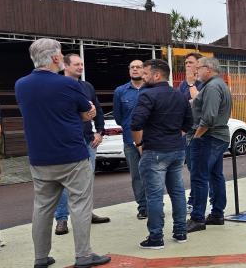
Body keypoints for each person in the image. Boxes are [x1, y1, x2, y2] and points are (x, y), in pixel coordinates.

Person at [15, 38, 110, 268]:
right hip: (71, 154)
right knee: (79, 203)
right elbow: (87, 110)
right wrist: (81, 115)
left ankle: (40, 257)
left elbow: (40, 113)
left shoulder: (21, 85)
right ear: (56, 58)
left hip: (39, 156)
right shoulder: (68, 85)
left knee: (42, 207)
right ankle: (83, 255)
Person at [130, 60, 192, 249]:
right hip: (176, 150)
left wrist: (139, 143)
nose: (143, 76)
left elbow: (135, 123)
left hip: (154, 151)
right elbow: (188, 124)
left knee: (155, 196)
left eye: (146, 73)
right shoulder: (179, 95)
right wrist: (173, 136)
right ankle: (181, 232)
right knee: (178, 192)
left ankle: (156, 237)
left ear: (157, 75)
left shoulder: (147, 94)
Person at [54, 53, 110, 235]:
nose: (80, 67)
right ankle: (61, 219)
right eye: (76, 64)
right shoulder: (57, 87)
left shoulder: (87, 87)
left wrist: (100, 132)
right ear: (65, 66)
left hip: (88, 141)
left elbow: (98, 109)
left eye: (82, 64)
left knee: (87, 180)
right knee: (63, 182)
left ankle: (86, 213)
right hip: (66, 142)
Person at [187, 56, 232, 233]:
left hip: (209, 137)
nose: (195, 70)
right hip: (216, 136)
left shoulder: (212, 87)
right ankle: (217, 213)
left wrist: (196, 137)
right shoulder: (218, 85)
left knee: (199, 177)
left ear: (209, 69)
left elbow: (209, 117)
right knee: (215, 175)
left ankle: (198, 217)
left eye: (198, 67)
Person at [113, 59, 147, 219]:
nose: (135, 69)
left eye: (138, 67)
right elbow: (119, 118)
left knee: (154, 173)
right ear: (129, 71)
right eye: (132, 67)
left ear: (144, 70)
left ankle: (155, 204)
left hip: (151, 140)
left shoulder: (151, 89)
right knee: (136, 176)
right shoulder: (120, 91)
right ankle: (143, 207)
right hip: (130, 141)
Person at [179, 52, 204, 213]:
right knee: (190, 167)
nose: (187, 65)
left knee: (198, 170)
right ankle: (195, 199)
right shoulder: (182, 84)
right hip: (186, 132)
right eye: (186, 62)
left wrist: (190, 84)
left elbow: (198, 102)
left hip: (200, 132)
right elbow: (180, 104)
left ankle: (195, 201)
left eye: (190, 62)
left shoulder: (203, 83)